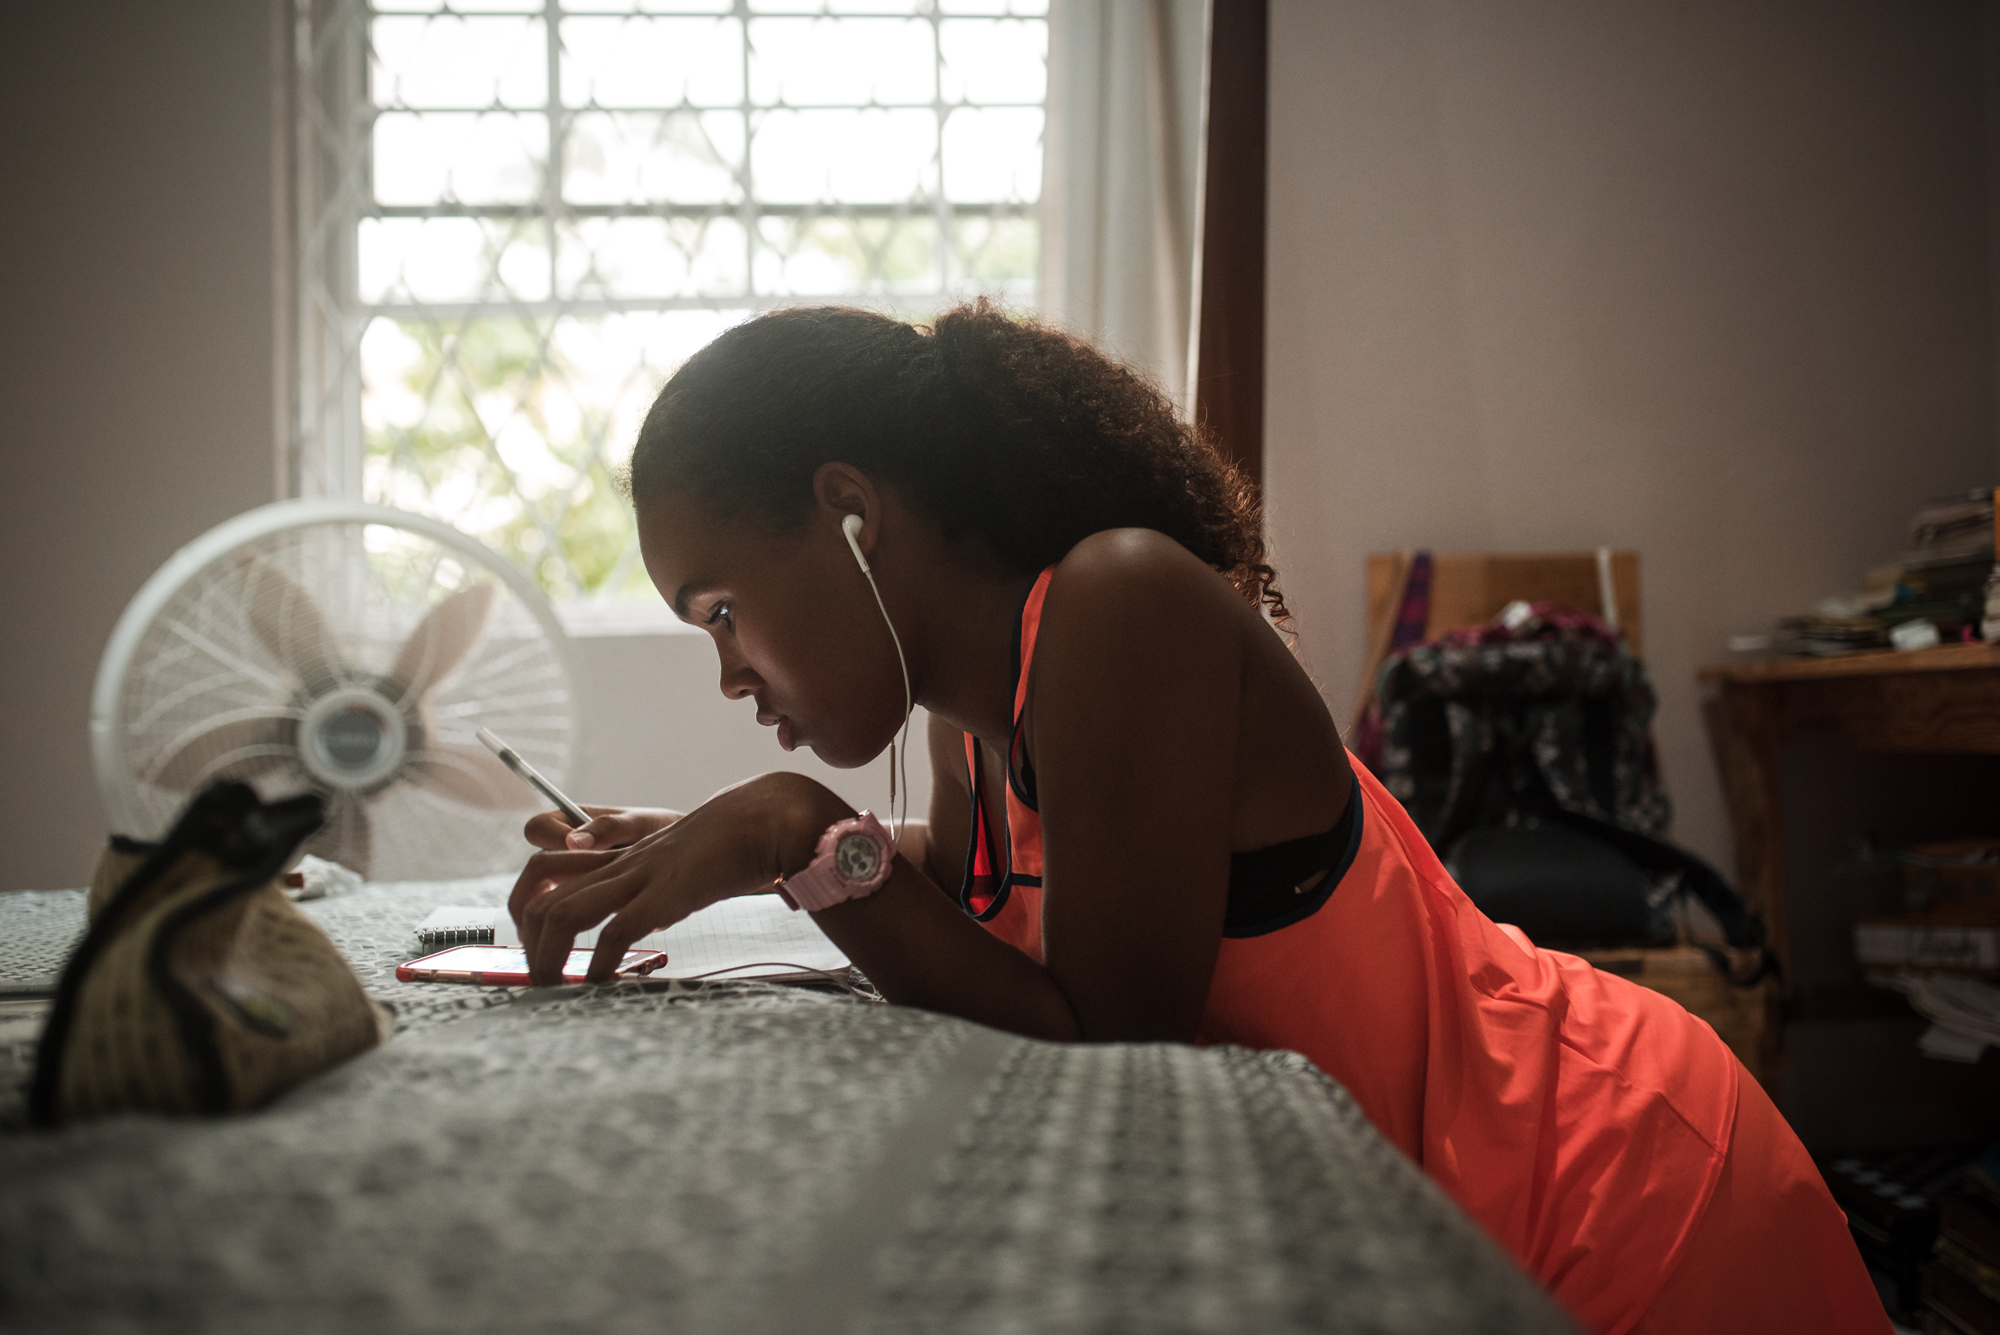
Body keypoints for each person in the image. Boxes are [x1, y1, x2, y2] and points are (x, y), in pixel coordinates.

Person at [508, 301, 1885, 1335]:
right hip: (1478, 1187)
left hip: (1608, 1186)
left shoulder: (1119, 604)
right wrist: (713, 838)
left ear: (852, 514)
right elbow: (1000, 883)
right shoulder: (970, 718)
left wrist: (796, 832)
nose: (732, 671)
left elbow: (1109, 1050)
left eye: (724, 612)